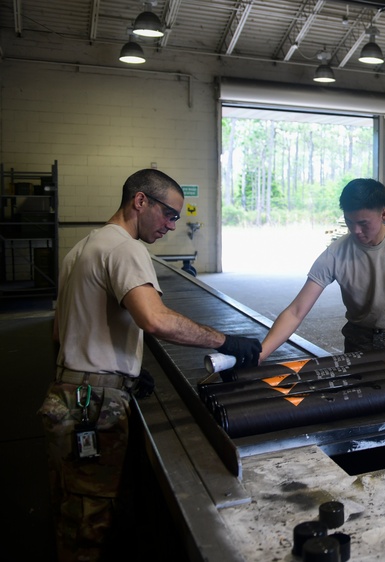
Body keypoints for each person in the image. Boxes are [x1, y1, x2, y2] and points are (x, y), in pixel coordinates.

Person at [37, 169, 262, 562]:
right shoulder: (125, 248)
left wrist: (122, 364)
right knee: (94, 527)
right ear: (140, 201)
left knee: (74, 513)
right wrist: (226, 341)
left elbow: (60, 333)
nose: (172, 226)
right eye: (169, 214)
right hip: (94, 408)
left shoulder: (80, 249)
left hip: (68, 395)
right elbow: (155, 319)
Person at [260, 178, 385, 361]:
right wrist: (260, 355)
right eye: (349, 222)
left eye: (363, 223)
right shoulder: (334, 255)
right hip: (359, 341)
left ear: (384, 214)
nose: (355, 230)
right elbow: (296, 311)